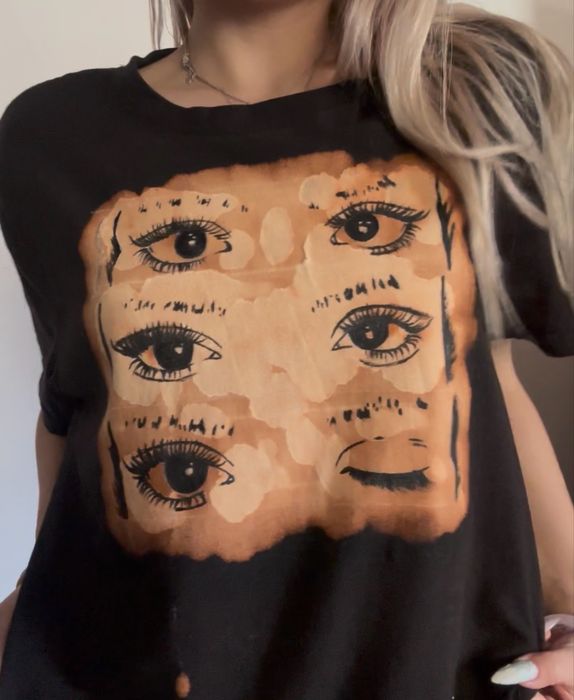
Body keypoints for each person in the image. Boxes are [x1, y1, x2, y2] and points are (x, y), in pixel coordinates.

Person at [0, 0, 572, 698]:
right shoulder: (47, 136)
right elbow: (75, 404)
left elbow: (489, 382)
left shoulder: (473, 91)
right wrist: (29, 600)